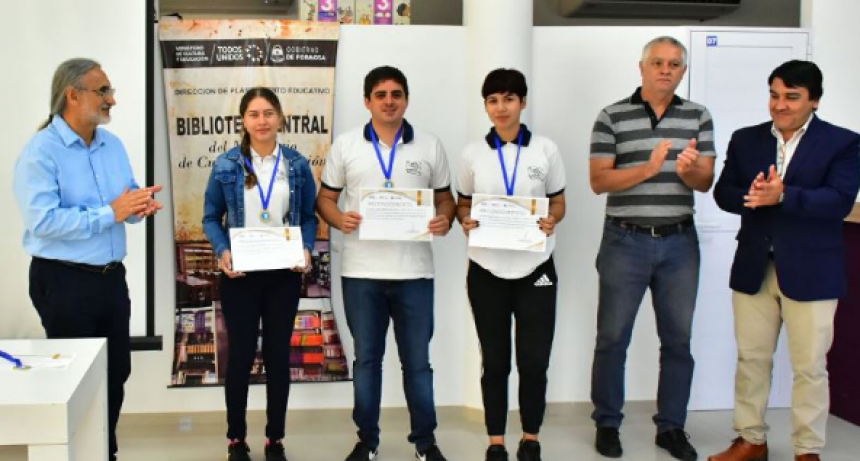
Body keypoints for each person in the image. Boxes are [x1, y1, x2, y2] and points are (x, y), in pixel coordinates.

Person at [708, 61, 860, 461]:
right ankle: (750, 440)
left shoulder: (843, 143)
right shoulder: (746, 139)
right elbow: (723, 192)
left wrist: (784, 196)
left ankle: (807, 449)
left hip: (813, 271)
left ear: (815, 100)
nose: (780, 104)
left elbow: (838, 201)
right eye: (774, 95)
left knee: (809, 367)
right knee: (751, 359)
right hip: (755, 266)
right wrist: (753, 194)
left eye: (792, 97)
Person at [13, 58, 162, 461]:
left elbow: (123, 197)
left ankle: (102, 450)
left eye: (110, 91)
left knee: (117, 372)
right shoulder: (40, 152)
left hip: (110, 279)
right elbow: (43, 222)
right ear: (72, 95)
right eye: (103, 91)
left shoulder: (111, 145)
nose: (112, 99)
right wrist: (110, 212)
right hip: (63, 281)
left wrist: (137, 205)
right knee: (74, 379)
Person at [316, 65, 455, 461]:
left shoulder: (429, 145)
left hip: (414, 272)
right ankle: (367, 441)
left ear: (406, 99)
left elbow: (445, 197)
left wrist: (444, 217)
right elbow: (325, 199)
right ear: (367, 101)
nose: (389, 101)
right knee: (366, 362)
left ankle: (425, 444)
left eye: (396, 94)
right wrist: (338, 218)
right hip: (361, 273)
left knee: (417, 364)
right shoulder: (346, 145)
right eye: (381, 95)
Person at [588, 36, 716, 461]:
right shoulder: (612, 117)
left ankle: (672, 428)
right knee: (612, 338)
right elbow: (599, 181)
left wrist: (690, 169)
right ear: (641, 68)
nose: (666, 69)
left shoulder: (698, 116)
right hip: (625, 240)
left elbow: (705, 183)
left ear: (683, 71)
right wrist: (647, 168)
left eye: (675, 64)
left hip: (680, 242)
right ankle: (607, 423)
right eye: (658, 62)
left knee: (678, 340)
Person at [456, 68, 566, 461]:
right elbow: (463, 204)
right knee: (496, 361)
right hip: (486, 269)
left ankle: (531, 437)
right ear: (485, 105)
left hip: (536, 267)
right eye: (492, 100)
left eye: (508, 99)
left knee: (535, 361)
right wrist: (463, 220)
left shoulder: (546, 150)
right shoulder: (472, 153)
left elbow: (558, 202)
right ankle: (496, 441)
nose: (501, 108)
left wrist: (553, 219)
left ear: (523, 101)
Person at [202, 87, 318, 461]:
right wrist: (223, 251)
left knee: (277, 356)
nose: (262, 120)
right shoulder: (225, 165)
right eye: (254, 114)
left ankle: (275, 439)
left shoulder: (297, 165)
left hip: (283, 274)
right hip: (241, 276)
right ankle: (236, 439)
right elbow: (210, 218)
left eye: (269, 113)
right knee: (239, 357)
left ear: (281, 118)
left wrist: (305, 248)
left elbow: (308, 218)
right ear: (243, 121)